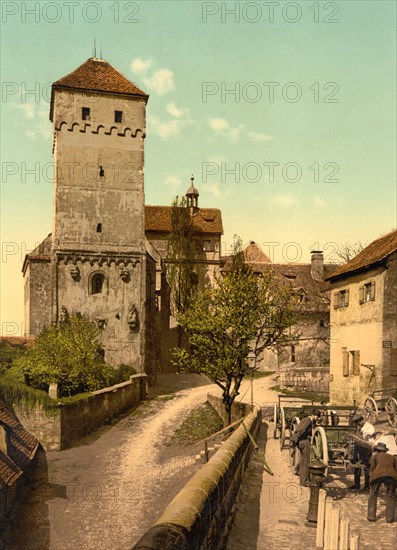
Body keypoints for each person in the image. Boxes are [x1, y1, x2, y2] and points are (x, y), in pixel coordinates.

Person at [367, 441, 397, 523]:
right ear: (385, 450)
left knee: (373, 494)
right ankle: (390, 518)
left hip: (378, 475)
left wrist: (371, 480)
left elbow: (372, 469)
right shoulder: (392, 457)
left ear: (377, 450)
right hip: (391, 476)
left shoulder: (375, 456)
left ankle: (371, 516)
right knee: (391, 496)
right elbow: (395, 469)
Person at [291, 409, 322, 487]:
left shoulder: (309, 420)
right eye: (317, 417)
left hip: (303, 440)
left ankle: (299, 472)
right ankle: (304, 481)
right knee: (306, 461)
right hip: (304, 441)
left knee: (303, 460)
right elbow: (300, 430)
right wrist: (295, 440)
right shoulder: (308, 420)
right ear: (314, 415)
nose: (317, 418)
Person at [347, 413, 375, 492]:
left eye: (358, 423)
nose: (357, 425)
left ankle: (367, 486)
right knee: (356, 466)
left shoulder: (369, 428)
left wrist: (358, 436)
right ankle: (356, 485)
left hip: (366, 450)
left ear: (362, 420)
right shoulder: (360, 427)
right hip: (358, 449)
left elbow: (366, 441)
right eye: (356, 424)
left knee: (366, 468)